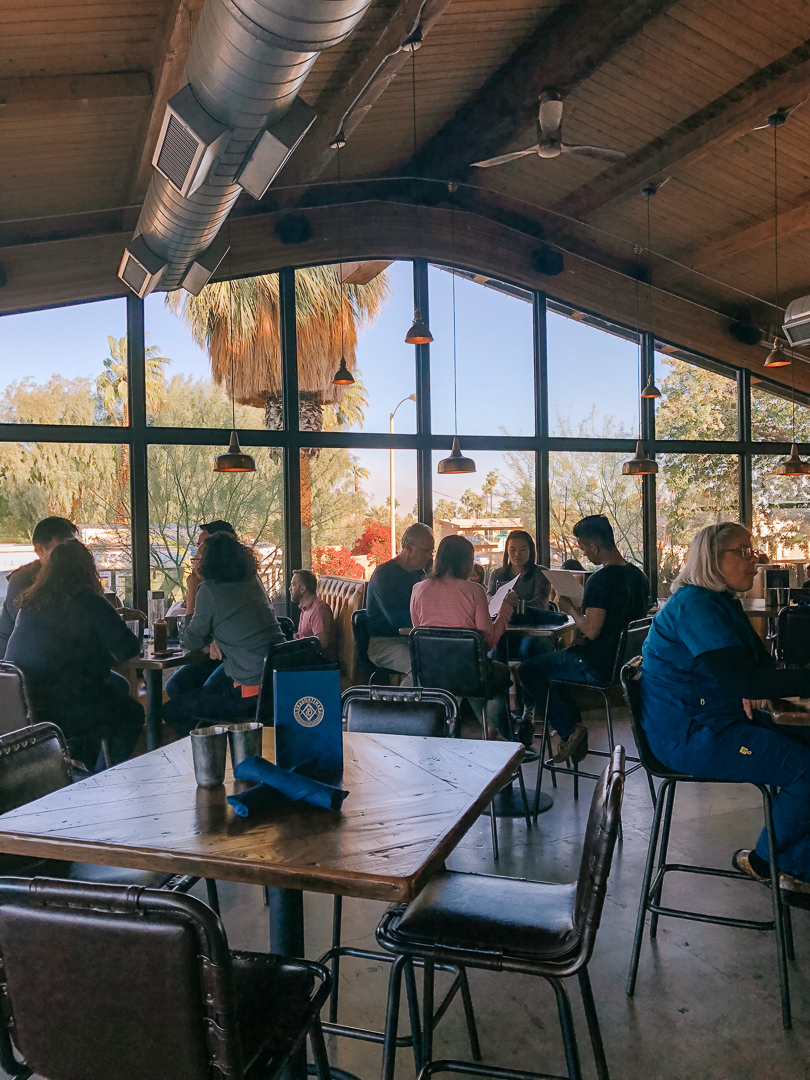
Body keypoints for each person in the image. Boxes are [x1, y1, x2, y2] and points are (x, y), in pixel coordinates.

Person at [641, 522, 810, 904]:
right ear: (712, 560)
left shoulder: (721, 603)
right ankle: (768, 862)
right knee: (806, 769)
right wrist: (747, 685)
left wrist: (748, 684)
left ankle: (797, 870)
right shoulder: (696, 604)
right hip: (693, 736)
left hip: (716, 721)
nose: (756, 561)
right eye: (744, 551)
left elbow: (757, 673)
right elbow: (747, 681)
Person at [5, 539, 144, 769]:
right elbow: (128, 649)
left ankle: (81, 764)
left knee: (116, 686)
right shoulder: (91, 602)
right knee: (131, 713)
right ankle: (103, 778)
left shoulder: (28, 604)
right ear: (88, 571)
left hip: (25, 708)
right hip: (65, 705)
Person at [519, 514, 650, 760]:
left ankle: (570, 731)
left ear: (594, 546)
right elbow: (617, 624)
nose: (584, 555)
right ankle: (573, 733)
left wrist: (569, 608)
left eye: (583, 548)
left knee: (529, 670)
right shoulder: (639, 577)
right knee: (557, 670)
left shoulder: (600, 580)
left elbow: (591, 630)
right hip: (626, 665)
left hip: (597, 665)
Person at [163, 532, 284, 736]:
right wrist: (214, 640)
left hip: (248, 692)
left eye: (197, 558)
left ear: (209, 562)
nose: (193, 564)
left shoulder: (209, 590)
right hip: (277, 683)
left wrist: (192, 590)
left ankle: (208, 755)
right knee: (181, 686)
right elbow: (236, 622)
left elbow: (190, 641)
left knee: (172, 710)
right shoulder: (252, 580)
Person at [411, 534, 518, 739]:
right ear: (464, 561)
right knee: (501, 674)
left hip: (431, 675)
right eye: (471, 558)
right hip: (470, 673)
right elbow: (489, 642)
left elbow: (419, 634)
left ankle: (493, 733)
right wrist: (506, 608)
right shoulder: (474, 590)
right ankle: (501, 734)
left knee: (470, 678)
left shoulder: (417, 589)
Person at [487, 530, 553, 737]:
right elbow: (489, 602)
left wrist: (509, 607)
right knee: (494, 652)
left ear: (531, 551)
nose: (517, 554)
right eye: (513, 549)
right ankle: (501, 715)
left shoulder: (540, 573)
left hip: (533, 633)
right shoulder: (498, 575)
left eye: (523, 549)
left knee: (530, 650)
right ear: (507, 551)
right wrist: (510, 608)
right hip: (504, 631)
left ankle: (529, 712)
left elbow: (541, 603)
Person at [166, 519, 238, 698]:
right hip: (232, 658)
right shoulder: (247, 578)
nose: (197, 552)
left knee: (178, 691)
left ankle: (202, 723)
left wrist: (192, 591)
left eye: (202, 546)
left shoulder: (215, 587)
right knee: (177, 685)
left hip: (240, 666)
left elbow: (191, 642)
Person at [0, 516, 78, 659]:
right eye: (62, 548)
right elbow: (34, 631)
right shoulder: (22, 580)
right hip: (17, 667)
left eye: (74, 546)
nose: (70, 553)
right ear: (40, 550)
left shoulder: (74, 577)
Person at [366, 522, 435, 682]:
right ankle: (401, 706)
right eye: (425, 551)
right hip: (384, 643)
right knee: (421, 666)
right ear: (409, 548)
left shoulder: (420, 573)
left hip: (413, 639)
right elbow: (397, 620)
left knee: (446, 662)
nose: (429, 556)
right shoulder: (383, 575)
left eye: (431, 551)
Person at [290, 569, 336, 662]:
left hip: (316, 662)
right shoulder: (305, 608)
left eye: (293, 585)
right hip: (306, 656)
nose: (289, 588)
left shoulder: (318, 609)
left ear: (303, 589)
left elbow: (322, 643)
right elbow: (304, 636)